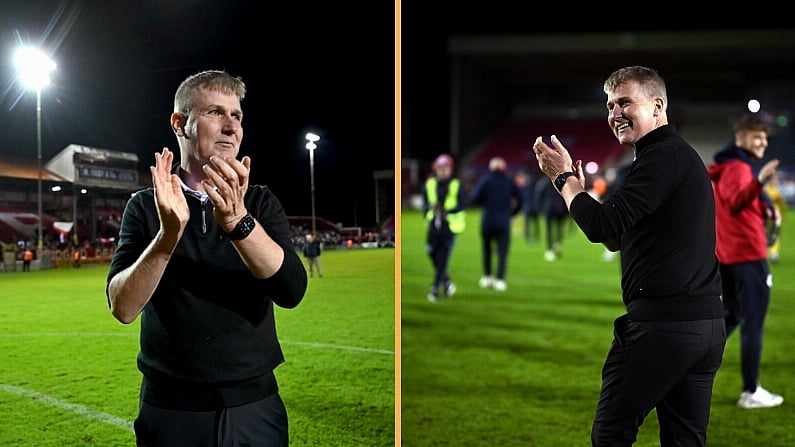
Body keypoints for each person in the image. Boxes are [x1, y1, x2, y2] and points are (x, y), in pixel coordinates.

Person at [106, 70, 308, 447]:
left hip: (253, 404)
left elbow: (291, 290)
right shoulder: (145, 207)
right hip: (170, 409)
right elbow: (123, 307)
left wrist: (237, 221)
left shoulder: (260, 202)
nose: (232, 127)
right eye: (216, 112)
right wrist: (168, 235)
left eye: (237, 116)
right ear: (180, 124)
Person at [534, 65, 726, 446]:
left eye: (625, 103)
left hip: (663, 327)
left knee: (611, 435)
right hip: (703, 326)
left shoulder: (660, 157)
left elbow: (602, 227)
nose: (614, 114)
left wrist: (563, 180)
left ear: (657, 106)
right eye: (609, 106)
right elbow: (617, 237)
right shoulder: (673, 157)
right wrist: (580, 195)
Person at [706, 113, 783, 409]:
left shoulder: (727, 166)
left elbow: (734, 198)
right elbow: (737, 200)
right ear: (740, 138)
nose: (763, 142)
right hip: (748, 256)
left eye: (765, 137)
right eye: (757, 136)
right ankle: (751, 390)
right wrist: (760, 183)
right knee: (754, 324)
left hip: (727, 255)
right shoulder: (739, 167)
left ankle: (686, 368)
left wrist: (763, 202)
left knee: (732, 317)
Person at [469, 156, 523, 291]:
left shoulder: (485, 181)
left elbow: (475, 199)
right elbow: (521, 199)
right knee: (502, 252)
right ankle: (500, 279)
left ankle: (487, 277)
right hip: (504, 222)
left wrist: (485, 204)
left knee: (487, 250)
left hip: (487, 220)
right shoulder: (509, 181)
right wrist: (513, 213)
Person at [422, 153, 466, 302]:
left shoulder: (455, 185)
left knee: (443, 257)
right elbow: (424, 203)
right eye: (440, 168)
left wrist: (450, 212)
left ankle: (435, 288)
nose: (443, 171)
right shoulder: (429, 184)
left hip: (450, 226)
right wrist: (429, 210)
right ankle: (446, 282)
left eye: (446, 168)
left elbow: (463, 204)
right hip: (434, 224)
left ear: (450, 169)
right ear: (436, 169)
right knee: (431, 252)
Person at [533, 173, 568, 261]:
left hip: (549, 209)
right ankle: (557, 245)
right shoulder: (561, 182)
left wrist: (540, 209)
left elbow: (538, 196)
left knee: (549, 230)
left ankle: (549, 249)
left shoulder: (543, 183)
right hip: (560, 209)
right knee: (559, 229)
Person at [763, 171, 786, 264]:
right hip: (771, 215)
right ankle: (771, 253)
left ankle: (771, 253)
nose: (775, 181)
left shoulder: (766, 189)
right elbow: (782, 204)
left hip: (770, 215)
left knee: (770, 233)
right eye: (774, 179)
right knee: (772, 233)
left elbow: (782, 204)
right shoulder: (772, 190)